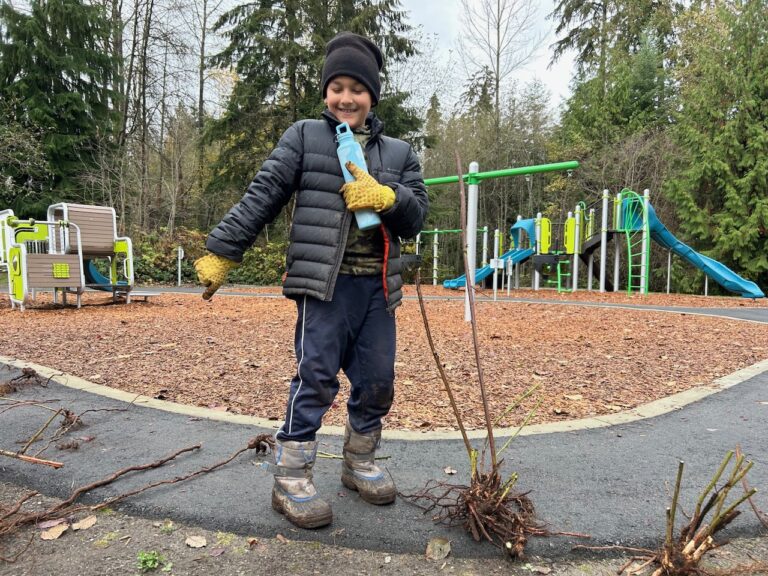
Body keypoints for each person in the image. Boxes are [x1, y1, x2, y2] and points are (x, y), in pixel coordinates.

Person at [194, 31, 429, 530]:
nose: (346, 98)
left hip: (376, 291)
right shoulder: (305, 136)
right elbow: (264, 193)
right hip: (324, 288)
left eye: (357, 88)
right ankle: (291, 477)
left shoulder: (400, 153)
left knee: (377, 381)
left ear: (373, 95)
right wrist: (223, 249)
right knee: (316, 379)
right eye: (337, 87)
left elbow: (416, 216)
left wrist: (388, 197)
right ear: (325, 92)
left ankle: (359, 462)